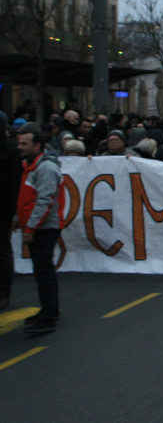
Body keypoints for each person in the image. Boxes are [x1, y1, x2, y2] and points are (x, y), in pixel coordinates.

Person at [15, 130, 64, 334]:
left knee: (43, 271)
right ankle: (49, 309)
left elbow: (45, 200)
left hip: (45, 228)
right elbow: (28, 198)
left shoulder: (45, 169)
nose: (19, 147)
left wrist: (31, 227)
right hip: (40, 226)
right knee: (43, 270)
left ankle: (48, 316)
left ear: (37, 146)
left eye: (24, 144)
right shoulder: (31, 167)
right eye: (19, 143)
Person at [0, 111, 20, 310]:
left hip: (2, 210)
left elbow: (14, 186)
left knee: (2, 253)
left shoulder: (11, 151)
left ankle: (4, 292)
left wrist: (11, 214)